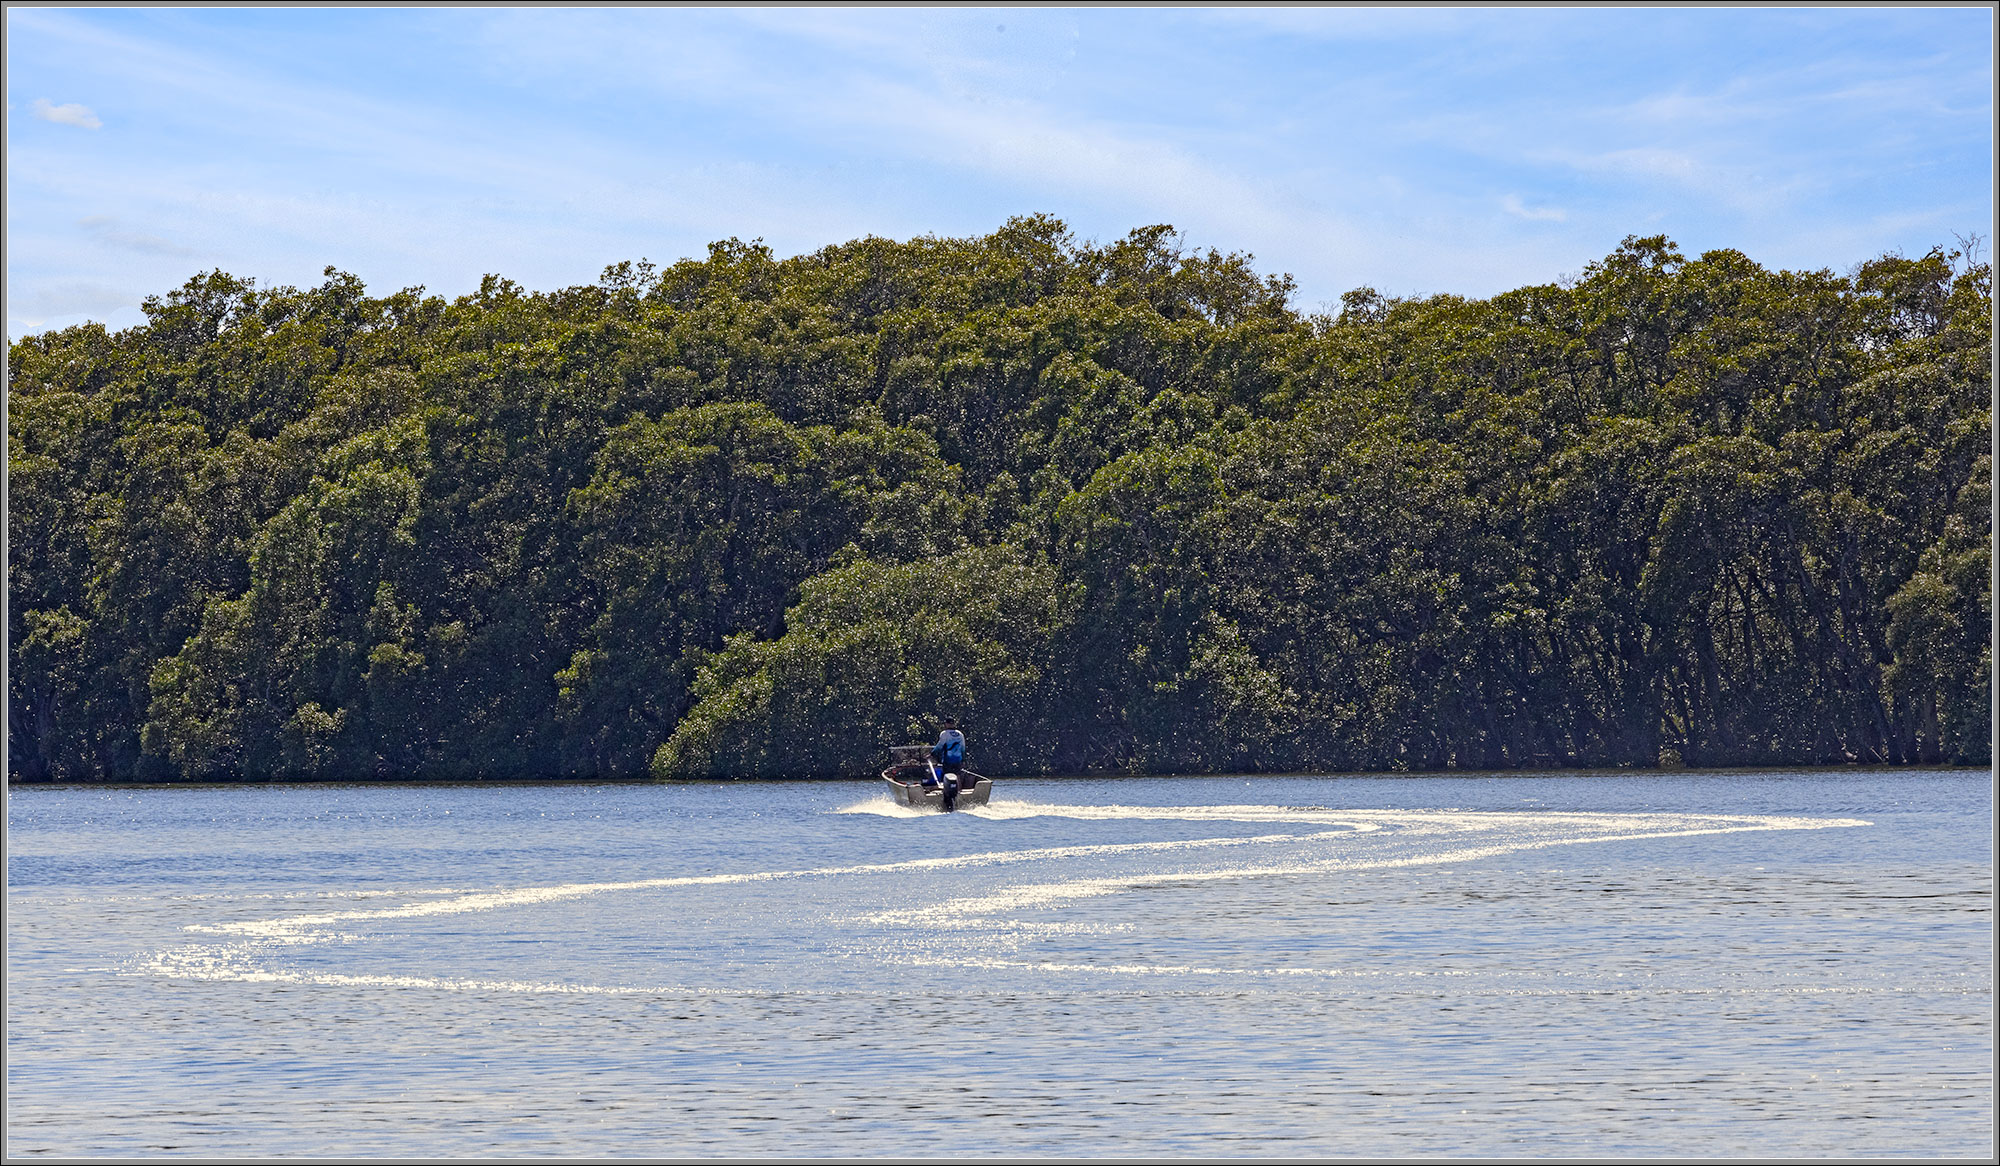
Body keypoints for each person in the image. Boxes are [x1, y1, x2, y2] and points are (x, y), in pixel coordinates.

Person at [929, 718, 967, 810]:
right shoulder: (960, 734)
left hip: (948, 760)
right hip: (958, 759)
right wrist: (963, 760)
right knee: (957, 775)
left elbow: (940, 746)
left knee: (946, 776)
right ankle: (958, 793)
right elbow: (963, 748)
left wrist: (931, 754)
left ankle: (947, 795)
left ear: (946, 724)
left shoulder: (944, 734)